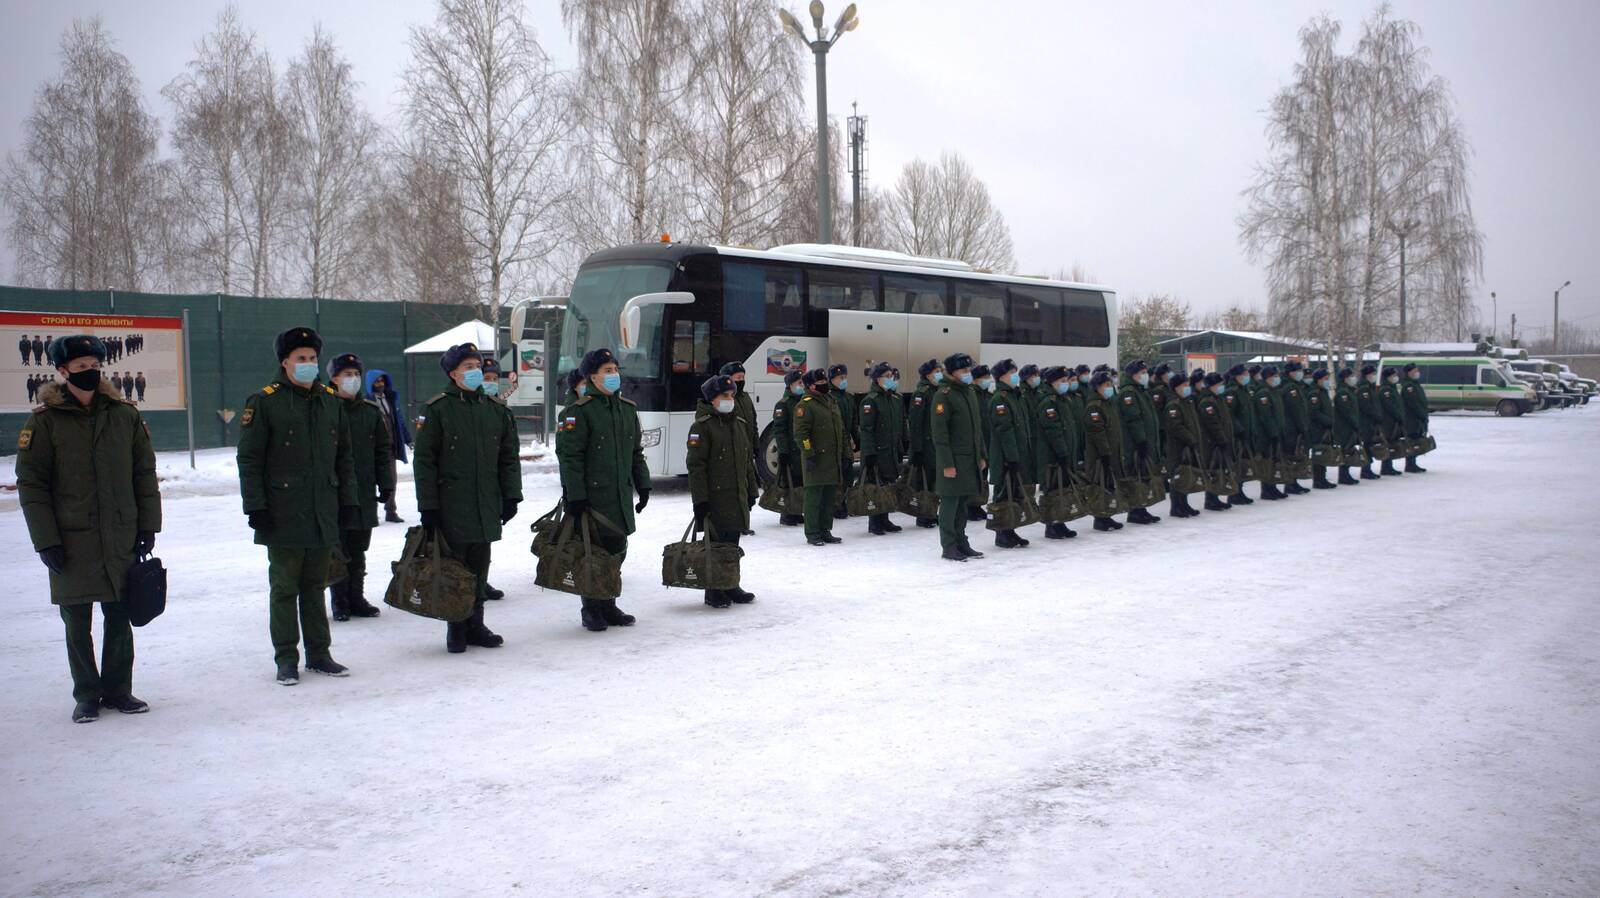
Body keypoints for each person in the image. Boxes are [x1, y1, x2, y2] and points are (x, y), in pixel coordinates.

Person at [17, 335, 160, 723]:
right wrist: (45, 540)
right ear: (62, 372)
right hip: (70, 539)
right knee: (77, 622)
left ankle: (119, 690)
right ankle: (86, 694)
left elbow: (143, 474)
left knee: (119, 616)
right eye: (80, 367)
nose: (90, 372)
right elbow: (32, 485)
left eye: (94, 365)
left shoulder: (123, 414)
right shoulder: (44, 422)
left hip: (120, 535)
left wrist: (149, 525)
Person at [237, 327, 358, 685]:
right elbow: (250, 459)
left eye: (312, 359)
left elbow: (345, 458)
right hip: (282, 510)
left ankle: (320, 654)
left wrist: (348, 502)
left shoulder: (330, 401)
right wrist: (255, 506)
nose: (308, 365)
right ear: (285, 362)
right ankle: (286, 657)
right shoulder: (265, 402)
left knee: (316, 585)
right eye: (300, 359)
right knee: (285, 588)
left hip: (323, 509)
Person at [415, 343, 522, 650]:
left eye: (477, 366)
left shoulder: (495, 410)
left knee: (479, 567)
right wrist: (429, 507)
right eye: (469, 367)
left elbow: (508, 458)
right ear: (453, 373)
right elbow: (424, 462)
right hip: (452, 505)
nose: (476, 372)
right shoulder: (437, 409)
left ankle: (476, 625)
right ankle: (456, 627)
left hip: (486, 502)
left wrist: (511, 496)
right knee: (454, 569)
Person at [555, 347, 651, 631]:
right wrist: (576, 496)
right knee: (592, 553)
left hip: (619, 496)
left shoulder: (626, 410)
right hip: (592, 499)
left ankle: (609, 604)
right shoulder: (578, 412)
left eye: (615, 370)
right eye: (607, 371)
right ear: (592, 377)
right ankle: (591, 609)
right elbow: (569, 458)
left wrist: (643, 484)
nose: (614, 375)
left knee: (617, 550)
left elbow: (636, 452)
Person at [326, 353, 392, 622]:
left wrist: (386, 485)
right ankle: (339, 600)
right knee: (338, 547)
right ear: (334, 379)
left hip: (364, 490)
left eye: (355, 374)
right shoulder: (326, 409)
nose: (352, 379)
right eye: (346, 375)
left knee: (359, 547)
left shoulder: (370, 412)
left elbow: (381, 451)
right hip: (335, 492)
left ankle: (357, 597)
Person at [687, 375, 759, 608]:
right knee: (715, 544)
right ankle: (713, 589)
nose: (730, 400)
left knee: (732, 543)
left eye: (732, 395)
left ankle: (730, 584)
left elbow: (746, 459)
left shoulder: (738, 423)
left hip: (735, 494)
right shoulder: (702, 426)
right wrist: (700, 502)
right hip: (715, 498)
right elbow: (696, 467)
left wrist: (750, 489)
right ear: (712, 399)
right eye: (724, 396)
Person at [930, 353, 986, 561]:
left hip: (969, 459)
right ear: (953, 372)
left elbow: (977, 429)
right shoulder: (943, 395)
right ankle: (949, 546)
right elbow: (940, 434)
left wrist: (981, 455)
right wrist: (947, 464)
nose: (968, 374)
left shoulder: (969, 393)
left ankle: (962, 543)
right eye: (964, 371)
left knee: (962, 504)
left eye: (969, 370)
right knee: (950, 504)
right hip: (953, 461)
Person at [792, 368, 847, 546]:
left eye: (825, 382)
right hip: (816, 459)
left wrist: (845, 452)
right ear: (811, 386)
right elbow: (801, 434)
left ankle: (825, 529)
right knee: (814, 498)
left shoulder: (831, 401)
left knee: (828, 497)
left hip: (832, 459)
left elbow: (840, 429)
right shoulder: (805, 405)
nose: (825, 385)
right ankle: (812, 532)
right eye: (821, 383)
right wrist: (809, 453)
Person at [986, 358, 1037, 547]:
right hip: (1006, 458)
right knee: (1003, 495)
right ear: (1001, 377)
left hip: (1017, 455)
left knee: (1014, 494)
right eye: (1011, 373)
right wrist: (1012, 458)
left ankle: (1010, 529)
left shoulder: (1015, 396)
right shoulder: (1000, 399)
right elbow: (1005, 431)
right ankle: (1001, 533)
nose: (1015, 376)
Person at [477, 356, 516, 602]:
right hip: (461, 490)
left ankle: (482, 581)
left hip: (490, 489)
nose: (490, 383)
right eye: (485, 378)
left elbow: (509, 457)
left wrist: (511, 494)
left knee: (485, 540)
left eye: (493, 379)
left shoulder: (500, 410)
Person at [857, 362, 904, 535]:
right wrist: (869, 454)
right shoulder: (870, 401)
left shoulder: (894, 399)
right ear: (878, 379)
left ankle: (885, 518)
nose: (891, 379)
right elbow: (867, 430)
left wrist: (900, 446)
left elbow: (898, 426)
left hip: (890, 450)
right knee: (876, 485)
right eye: (887, 376)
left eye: (892, 376)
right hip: (877, 451)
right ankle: (875, 521)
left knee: (888, 484)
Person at [1036, 366, 1080, 539]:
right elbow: (1053, 431)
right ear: (1052, 382)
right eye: (1062, 381)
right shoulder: (1049, 403)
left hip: (1063, 452)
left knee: (1062, 488)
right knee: (1052, 489)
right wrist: (1062, 452)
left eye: (1066, 380)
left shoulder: (1062, 400)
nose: (1066, 384)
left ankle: (1060, 521)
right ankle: (1051, 525)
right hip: (1052, 455)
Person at [1116, 360, 1162, 524]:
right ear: (1133, 375)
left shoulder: (1140, 391)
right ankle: (1135, 511)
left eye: (1145, 372)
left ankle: (1141, 508)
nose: (1145, 375)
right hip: (1135, 443)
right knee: (1136, 476)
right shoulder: (1128, 393)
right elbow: (1133, 419)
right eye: (1141, 372)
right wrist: (1141, 440)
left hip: (1145, 441)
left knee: (1143, 476)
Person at [363, 367, 412, 523]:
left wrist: (407, 439)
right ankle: (370, 512)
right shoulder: (365, 402)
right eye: (377, 381)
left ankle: (391, 511)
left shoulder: (390, 400)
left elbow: (400, 421)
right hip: (371, 448)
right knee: (369, 481)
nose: (380, 384)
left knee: (391, 481)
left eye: (382, 380)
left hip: (389, 448)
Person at [1082, 370, 1127, 532]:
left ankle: (1106, 515)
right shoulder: (1094, 407)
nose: (1110, 387)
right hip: (1100, 455)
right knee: (1100, 484)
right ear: (1097, 387)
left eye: (1111, 384)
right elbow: (1097, 433)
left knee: (1108, 484)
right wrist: (1105, 453)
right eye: (1106, 385)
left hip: (1110, 452)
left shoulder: (1108, 404)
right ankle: (1100, 518)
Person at [905, 359, 943, 529]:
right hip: (925, 446)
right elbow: (915, 423)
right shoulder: (921, 393)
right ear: (928, 374)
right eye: (937, 371)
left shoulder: (937, 391)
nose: (940, 373)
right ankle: (923, 515)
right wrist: (917, 449)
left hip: (935, 445)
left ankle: (932, 511)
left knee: (935, 481)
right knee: (924, 481)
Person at [1161, 369, 1202, 518]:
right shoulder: (1173, 405)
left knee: (1186, 475)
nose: (1187, 387)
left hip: (1188, 445)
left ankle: (1184, 503)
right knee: (1178, 476)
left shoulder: (1187, 402)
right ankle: (1176, 506)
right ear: (1177, 387)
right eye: (1184, 384)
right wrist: (1190, 439)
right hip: (1178, 447)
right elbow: (1176, 427)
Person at [770, 369, 808, 526]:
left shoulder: (804, 401)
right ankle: (787, 514)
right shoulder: (783, 405)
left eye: (802, 383)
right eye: (799, 383)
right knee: (788, 482)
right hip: (789, 451)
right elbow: (779, 430)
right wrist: (783, 451)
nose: (802, 385)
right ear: (790, 385)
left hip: (800, 450)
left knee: (800, 482)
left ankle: (797, 510)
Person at [1195, 371, 1234, 511]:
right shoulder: (1207, 402)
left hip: (1219, 440)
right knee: (1213, 470)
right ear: (1211, 386)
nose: (1221, 387)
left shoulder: (1217, 399)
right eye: (1219, 384)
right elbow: (1213, 424)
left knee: (1218, 469)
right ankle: (1210, 499)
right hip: (1212, 442)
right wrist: (1222, 440)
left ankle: (1214, 497)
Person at [1221, 365, 1256, 506]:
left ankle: (1239, 491)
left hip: (1246, 432)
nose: (1247, 376)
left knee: (1242, 464)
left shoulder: (1244, 391)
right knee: (1236, 464)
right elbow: (1230, 414)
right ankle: (1234, 494)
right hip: (1237, 434)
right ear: (1237, 376)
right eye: (1245, 374)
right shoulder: (1232, 392)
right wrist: (1239, 430)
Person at [827, 364, 858, 519]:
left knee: (848, 474)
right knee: (836, 475)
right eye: (841, 378)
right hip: (835, 443)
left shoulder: (848, 398)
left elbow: (853, 422)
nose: (844, 380)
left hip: (846, 442)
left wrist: (856, 439)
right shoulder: (829, 398)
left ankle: (844, 502)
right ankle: (835, 505)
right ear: (832, 380)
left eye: (845, 377)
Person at [1277, 362, 1312, 494]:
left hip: (1290, 426)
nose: (1300, 373)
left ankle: (1293, 482)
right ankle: (1290, 483)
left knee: (1293, 455)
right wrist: (1303, 427)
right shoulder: (1291, 388)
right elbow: (1297, 410)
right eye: (1298, 371)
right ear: (1290, 373)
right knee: (1292, 456)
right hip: (1292, 427)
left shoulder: (1292, 385)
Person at [1255, 366, 1287, 500]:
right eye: (1275, 376)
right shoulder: (1263, 393)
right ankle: (1266, 489)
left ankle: (1272, 487)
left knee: (1274, 461)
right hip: (1267, 434)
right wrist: (1273, 433)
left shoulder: (1274, 392)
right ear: (1268, 377)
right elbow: (1265, 416)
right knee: (1267, 462)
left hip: (1277, 432)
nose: (1277, 378)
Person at [1308, 368, 1338, 489]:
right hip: (1317, 428)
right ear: (1319, 380)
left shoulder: (1323, 392)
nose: (1327, 381)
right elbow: (1314, 412)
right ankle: (1318, 480)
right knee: (1319, 453)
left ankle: (1322, 478)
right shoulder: (1314, 393)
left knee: (1324, 452)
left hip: (1325, 428)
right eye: (1325, 379)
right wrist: (1328, 421)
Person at [1333, 367, 1363, 486]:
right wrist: (1355, 423)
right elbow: (1347, 412)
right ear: (1345, 379)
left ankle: (1346, 474)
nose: (1353, 379)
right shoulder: (1343, 393)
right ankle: (1343, 475)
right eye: (1351, 377)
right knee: (1345, 450)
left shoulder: (1349, 391)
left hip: (1350, 425)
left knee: (1349, 450)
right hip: (1344, 427)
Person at [1399, 362, 1430, 473]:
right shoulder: (1409, 386)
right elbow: (1414, 403)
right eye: (1414, 371)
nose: (1417, 373)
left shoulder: (1415, 384)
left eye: (1417, 370)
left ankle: (1413, 463)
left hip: (1417, 418)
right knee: (1412, 440)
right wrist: (1421, 414)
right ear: (1409, 373)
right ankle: (1410, 464)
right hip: (1412, 419)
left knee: (1416, 440)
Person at [1355, 364, 1383, 480]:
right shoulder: (1364, 389)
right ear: (1367, 375)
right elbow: (1366, 407)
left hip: (1371, 422)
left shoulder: (1370, 387)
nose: (1374, 376)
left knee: (1370, 445)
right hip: (1365, 422)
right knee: (1366, 446)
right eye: (1373, 374)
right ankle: (1365, 470)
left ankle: (1368, 469)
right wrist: (1376, 416)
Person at [1377, 366, 1406, 476]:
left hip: (1393, 421)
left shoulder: (1392, 388)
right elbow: (1390, 406)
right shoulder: (1386, 390)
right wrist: (1398, 416)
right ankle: (1386, 467)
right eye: (1393, 375)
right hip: (1388, 421)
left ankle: (1388, 466)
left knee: (1392, 443)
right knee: (1388, 442)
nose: (1396, 377)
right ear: (1388, 377)